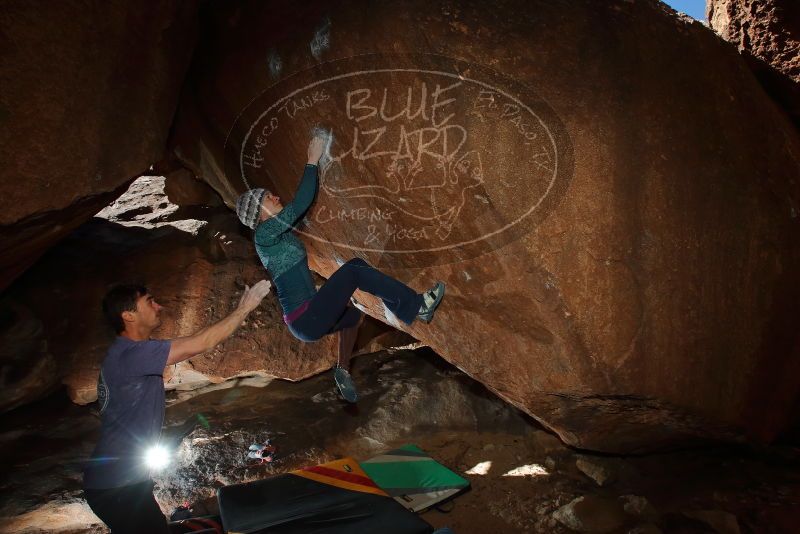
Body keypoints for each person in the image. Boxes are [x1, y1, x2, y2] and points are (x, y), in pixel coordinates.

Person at [235, 134, 445, 400]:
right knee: (354, 272)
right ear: (259, 213)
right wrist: (313, 159)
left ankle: (343, 370)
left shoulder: (279, 235)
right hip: (305, 317)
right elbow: (300, 204)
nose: (275, 196)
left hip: (307, 319)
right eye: (267, 197)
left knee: (354, 312)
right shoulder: (263, 236)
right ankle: (417, 305)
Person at [82, 280, 271, 533]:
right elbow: (200, 343)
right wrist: (244, 308)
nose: (158, 306)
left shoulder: (121, 354)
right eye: (149, 301)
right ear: (128, 315)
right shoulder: (133, 354)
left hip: (117, 484)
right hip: (117, 487)